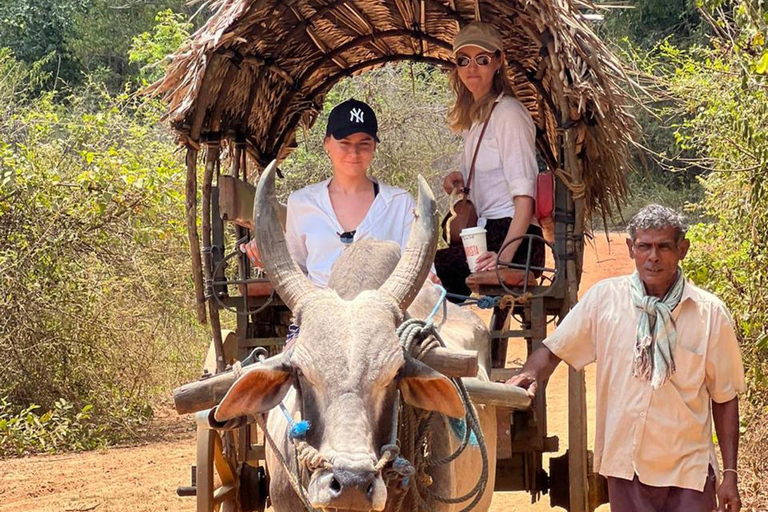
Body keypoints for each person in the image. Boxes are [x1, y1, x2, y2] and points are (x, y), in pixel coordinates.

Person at [507, 205, 745, 512]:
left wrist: (730, 475)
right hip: (626, 466)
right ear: (631, 248)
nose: (653, 257)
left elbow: (725, 397)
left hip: (688, 471)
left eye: (664, 246)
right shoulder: (605, 300)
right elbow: (554, 349)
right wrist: (530, 374)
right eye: (644, 246)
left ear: (682, 249)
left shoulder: (709, 314)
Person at [242, 98, 436, 287]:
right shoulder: (301, 203)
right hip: (320, 313)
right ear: (327, 143)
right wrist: (268, 257)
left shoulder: (399, 203)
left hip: (380, 315)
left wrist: (428, 280)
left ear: (375, 146)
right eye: (344, 142)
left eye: (364, 143)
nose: (354, 152)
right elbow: (297, 269)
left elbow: (418, 269)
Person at [435, 21, 545, 299]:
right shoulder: (477, 117)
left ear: (499, 61)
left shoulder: (508, 114)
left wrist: (503, 258)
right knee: (427, 267)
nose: (472, 68)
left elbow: (525, 199)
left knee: (430, 274)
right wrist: (459, 180)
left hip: (513, 239)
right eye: (464, 60)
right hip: (484, 232)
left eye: (482, 59)